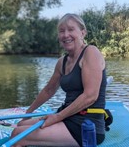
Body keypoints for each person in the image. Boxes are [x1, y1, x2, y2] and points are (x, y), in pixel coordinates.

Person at [10, 13, 107, 146]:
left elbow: (90, 96)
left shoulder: (91, 52)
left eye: (71, 29)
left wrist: (57, 117)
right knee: (21, 124)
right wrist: (28, 113)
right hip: (67, 115)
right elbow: (48, 90)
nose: (65, 35)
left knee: (18, 135)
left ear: (83, 32)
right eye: (62, 31)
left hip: (87, 124)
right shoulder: (62, 62)